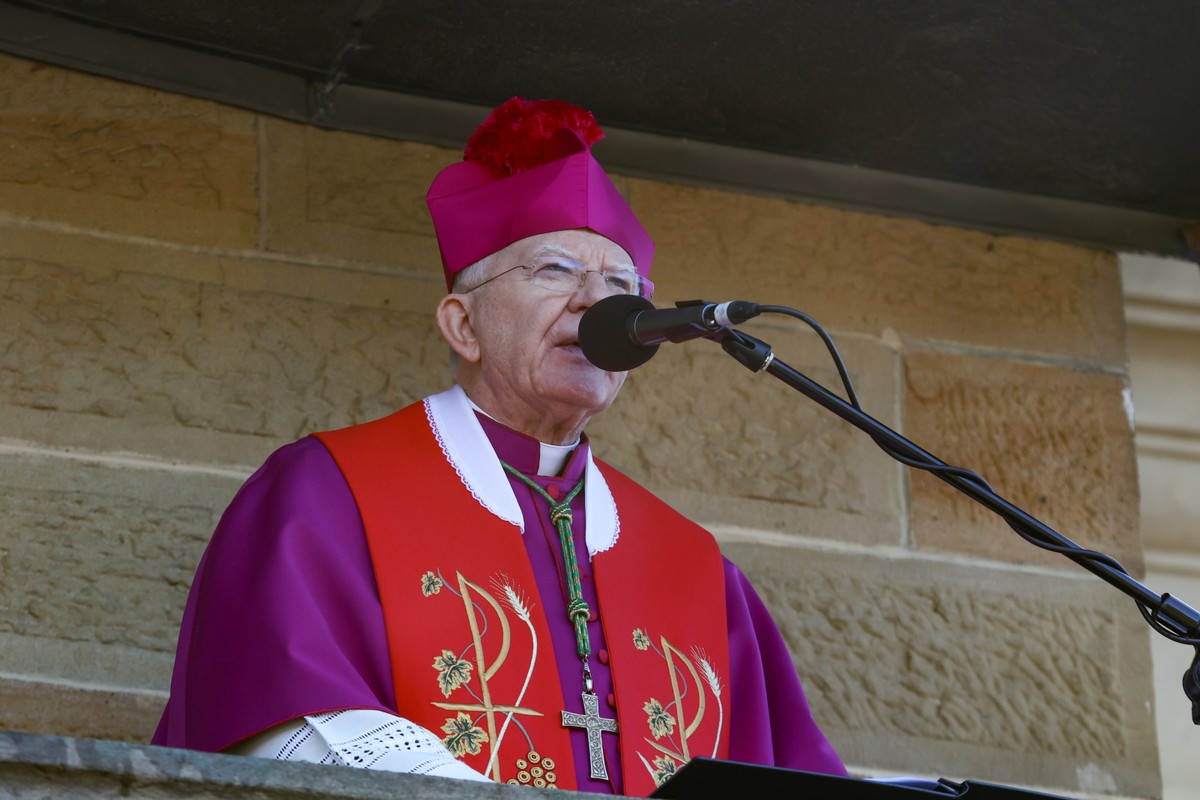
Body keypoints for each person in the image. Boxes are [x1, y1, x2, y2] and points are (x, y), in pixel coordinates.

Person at [152, 97, 846, 796]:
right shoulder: (328, 492)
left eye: (620, 286)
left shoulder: (695, 566)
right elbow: (288, 728)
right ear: (463, 325)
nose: (596, 304)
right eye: (554, 271)